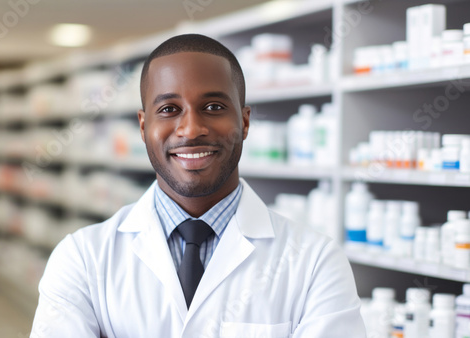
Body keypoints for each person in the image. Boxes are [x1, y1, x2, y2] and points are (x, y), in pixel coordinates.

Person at [31, 34, 366, 338]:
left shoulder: (315, 262)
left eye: (214, 107)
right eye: (169, 109)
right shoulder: (82, 258)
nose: (191, 129)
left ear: (245, 122)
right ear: (144, 126)